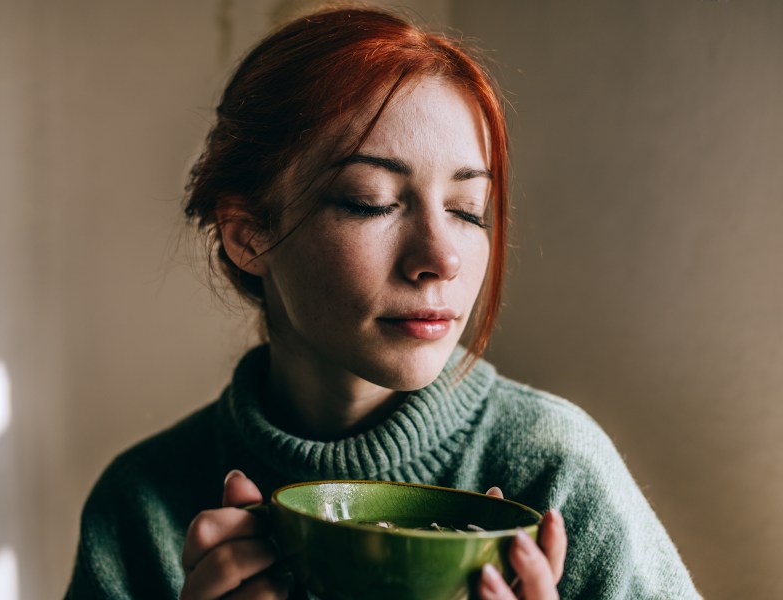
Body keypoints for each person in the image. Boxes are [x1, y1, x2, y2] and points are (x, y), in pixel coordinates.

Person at [64, 6, 700, 600]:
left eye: (467, 210)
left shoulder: (555, 471)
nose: (442, 258)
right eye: (371, 201)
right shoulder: (143, 506)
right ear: (247, 235)